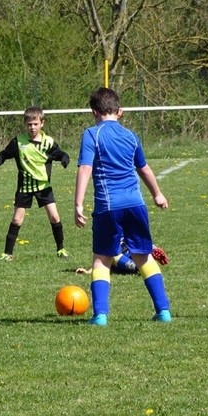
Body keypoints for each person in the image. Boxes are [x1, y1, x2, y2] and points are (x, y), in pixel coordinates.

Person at [74, 87, 172, 326]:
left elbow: (85, 168)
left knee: (102, 259)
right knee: (143, 256)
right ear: (120, 111)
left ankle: (100, 315)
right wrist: (157, 194)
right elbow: (144, 168)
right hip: (136, 204)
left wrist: (78, 203)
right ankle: (164, 312)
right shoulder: (131, 136)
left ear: (94, 112)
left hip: (108, 206)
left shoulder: (91, 134)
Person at [0, 106, 70, 261]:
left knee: (54, 217)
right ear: (25, 124)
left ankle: (61, 249)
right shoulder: (18, 142)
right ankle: (7, 253)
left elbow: (60, 153)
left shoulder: (48, 142)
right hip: (25, 187)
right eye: (29, 124)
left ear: (42, 123)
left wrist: (64, 159)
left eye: (35, 124)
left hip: (44, 187)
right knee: (17, 219)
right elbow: (3, 156)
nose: (32, 127)